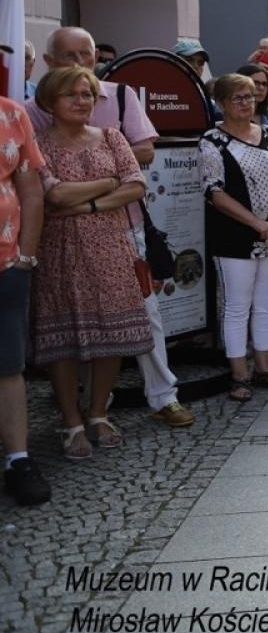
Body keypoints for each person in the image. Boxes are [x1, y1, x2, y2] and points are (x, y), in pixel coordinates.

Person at [33, 66, 153, 457]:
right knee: (62, 339)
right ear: (50, 101)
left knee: (112, 334)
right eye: (72, 95)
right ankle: (70, 420)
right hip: (58, 251)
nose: (82, 101)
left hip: (111, 248)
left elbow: (136, 185)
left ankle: (99, 412)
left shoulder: (112, 137)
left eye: (87, 94)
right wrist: (106, 183)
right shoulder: (38, 143)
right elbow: (53, 196)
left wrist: (91, 201)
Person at [199, 74, 268, 401]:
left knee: (267, 304)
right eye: (238, 97)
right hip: (236, 236)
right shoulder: (212, 141)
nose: (246, 103)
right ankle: (240, 374)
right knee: (238, 306)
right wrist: (255, 223)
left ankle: (266, 367)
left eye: (250, 96)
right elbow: (214, 192)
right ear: (222, 103)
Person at [0, 83, 46, 501]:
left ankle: (17, 459)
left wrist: (27, 257)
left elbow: (31, 191)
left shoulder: (12, 114)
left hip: (7, 264)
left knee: (9, 367)